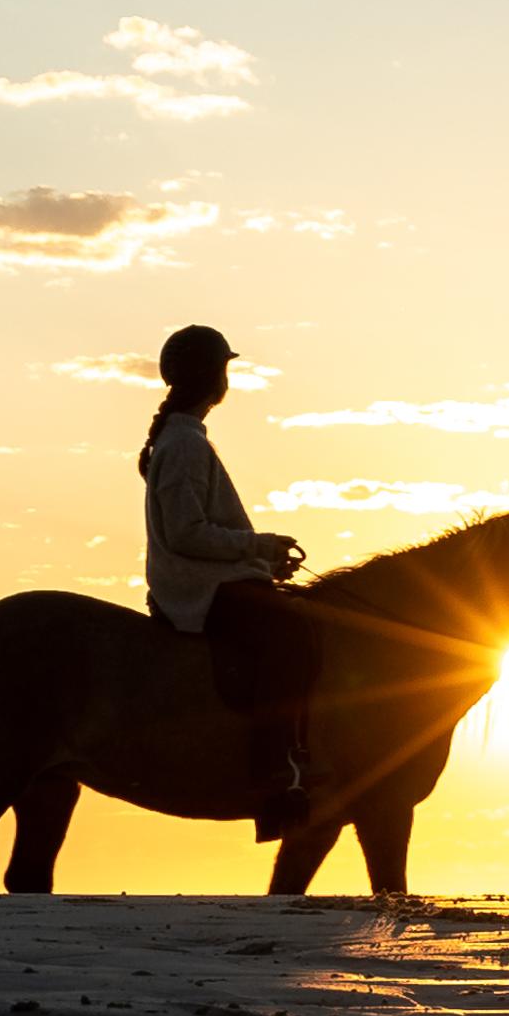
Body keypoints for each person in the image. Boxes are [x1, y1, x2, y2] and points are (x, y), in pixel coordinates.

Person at [138, 323, 319, 839]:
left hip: (210, 580)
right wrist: (254, 546)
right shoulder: (185, 444)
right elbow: (188, 533)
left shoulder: (183, 438)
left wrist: (261, 560)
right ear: (211, 376)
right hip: (199, 589)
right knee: (291, 636)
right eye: (223, 368)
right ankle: (274, 775)